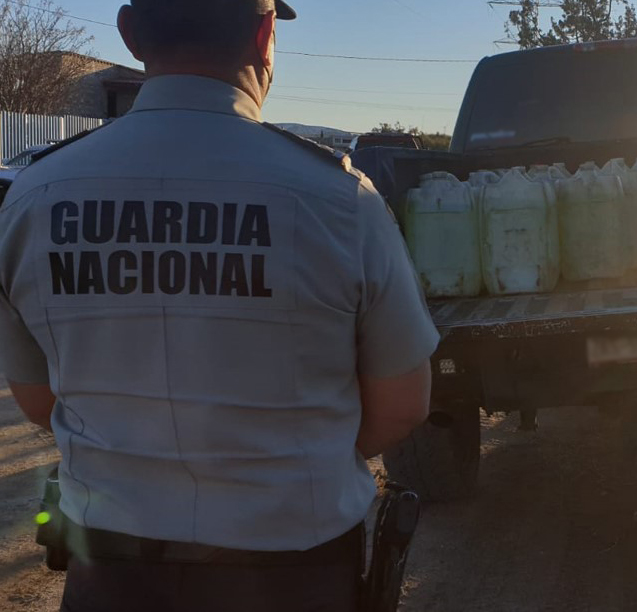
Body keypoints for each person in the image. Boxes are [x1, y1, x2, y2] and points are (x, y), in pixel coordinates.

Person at [0, 1, 439, 610]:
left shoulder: (34, 198)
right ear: (264, 35)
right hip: (292, 580)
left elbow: (40, 399)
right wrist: (284, 457)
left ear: (129, 32)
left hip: (109, 578)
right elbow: (402, 402)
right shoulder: (339, 201)